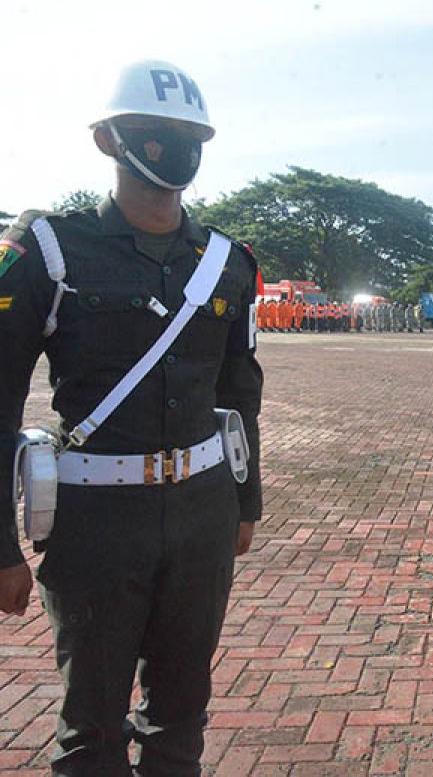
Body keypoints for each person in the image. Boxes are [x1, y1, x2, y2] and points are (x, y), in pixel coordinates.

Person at [0, 59, 263, 776]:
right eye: (152, 133)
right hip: (95, 520)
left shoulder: (227, 262)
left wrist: (247, 501)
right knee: (92, 727)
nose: (171, 148)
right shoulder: (49, 249)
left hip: (202, 513)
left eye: (187, 135)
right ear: (106, 140)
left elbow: (240, 387)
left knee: (182, 713)